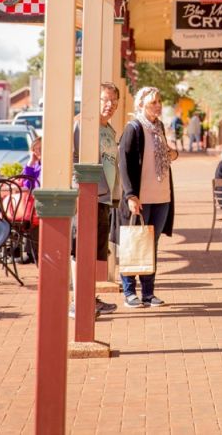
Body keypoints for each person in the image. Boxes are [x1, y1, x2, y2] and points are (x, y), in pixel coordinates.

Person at [115, 86, 176, 308]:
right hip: (140, 198)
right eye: (153, 102)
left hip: (161, 196)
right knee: (133, 243)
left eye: (159, 101)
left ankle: (148, 293)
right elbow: (125, 163)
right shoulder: (134, 128)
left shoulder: (159, 127)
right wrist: (131, 195)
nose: (158, 105)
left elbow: (163, 155)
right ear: (141, 104)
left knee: (152, 245)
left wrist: (173, 154)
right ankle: (129, 292)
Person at [70, 82, 121, 318]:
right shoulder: (81, 125)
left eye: (114, 101)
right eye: (105, 99)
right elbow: (70, 158)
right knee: (80, 250)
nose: (109, 105)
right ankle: (76, 302)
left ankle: (89, 298)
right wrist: (78, 189)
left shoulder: (109, 129)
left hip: (103, 198)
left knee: (94, 252)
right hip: (85, 197)